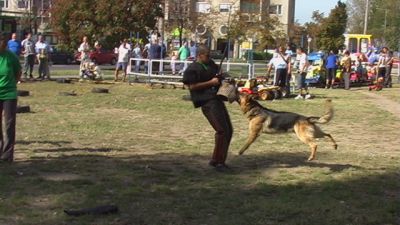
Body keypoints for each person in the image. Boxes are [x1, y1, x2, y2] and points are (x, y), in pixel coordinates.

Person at [183, 44, 233, 171]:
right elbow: (192, 87)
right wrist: (211, 83)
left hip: (216, 99)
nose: (210, 57)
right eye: (207, 55)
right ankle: (218, 163)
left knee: (229, 130)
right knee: (222, 130)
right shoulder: (192, 69)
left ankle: (218, 159)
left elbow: (218, 75)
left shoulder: (211, 64)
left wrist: (225, 78)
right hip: (206, 101)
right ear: (199, 55)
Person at [0, 33, 22, 163]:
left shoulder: (11, 57)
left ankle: (7, 154)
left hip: (9, 94)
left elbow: (18, 73)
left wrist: (11, 84)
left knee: (9, 124)